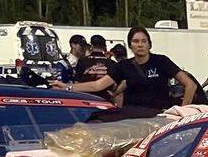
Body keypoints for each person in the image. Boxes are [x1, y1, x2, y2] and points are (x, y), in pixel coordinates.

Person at [52, 27, 197, 113]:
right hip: (132, 117)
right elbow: (97, 85)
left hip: (158, 117)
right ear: (130, 45)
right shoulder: (124, 66)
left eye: (143, 41)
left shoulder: (161, 61)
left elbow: (190, 85)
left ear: (149, 44)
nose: (140, 45)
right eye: (135, 41)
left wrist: (181, 113)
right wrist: (67, 87)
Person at [74, 34, 116, 100]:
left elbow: (76, 82)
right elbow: (115, 85)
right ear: (104, 46)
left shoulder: (82, 61)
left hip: (85, 98)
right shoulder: (112, 63)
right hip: (105, 99)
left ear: (92, 45)